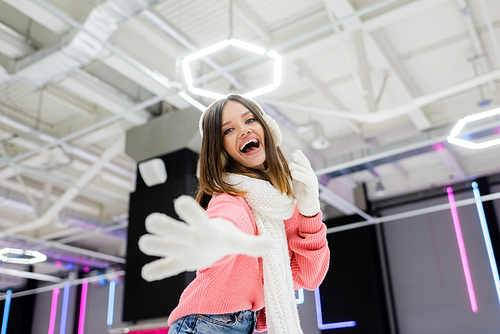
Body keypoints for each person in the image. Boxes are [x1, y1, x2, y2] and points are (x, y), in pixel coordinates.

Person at [138, 94, 330, 334]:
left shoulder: (284, 206)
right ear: (220, 150)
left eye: (249, 120)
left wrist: (310, 211)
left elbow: (310, 276)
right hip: (206, 323)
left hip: (238, 324)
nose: (243, 130)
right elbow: (228, 220)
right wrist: (215, 239)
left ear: (266, 128)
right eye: (228, 130)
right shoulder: (230, 197)